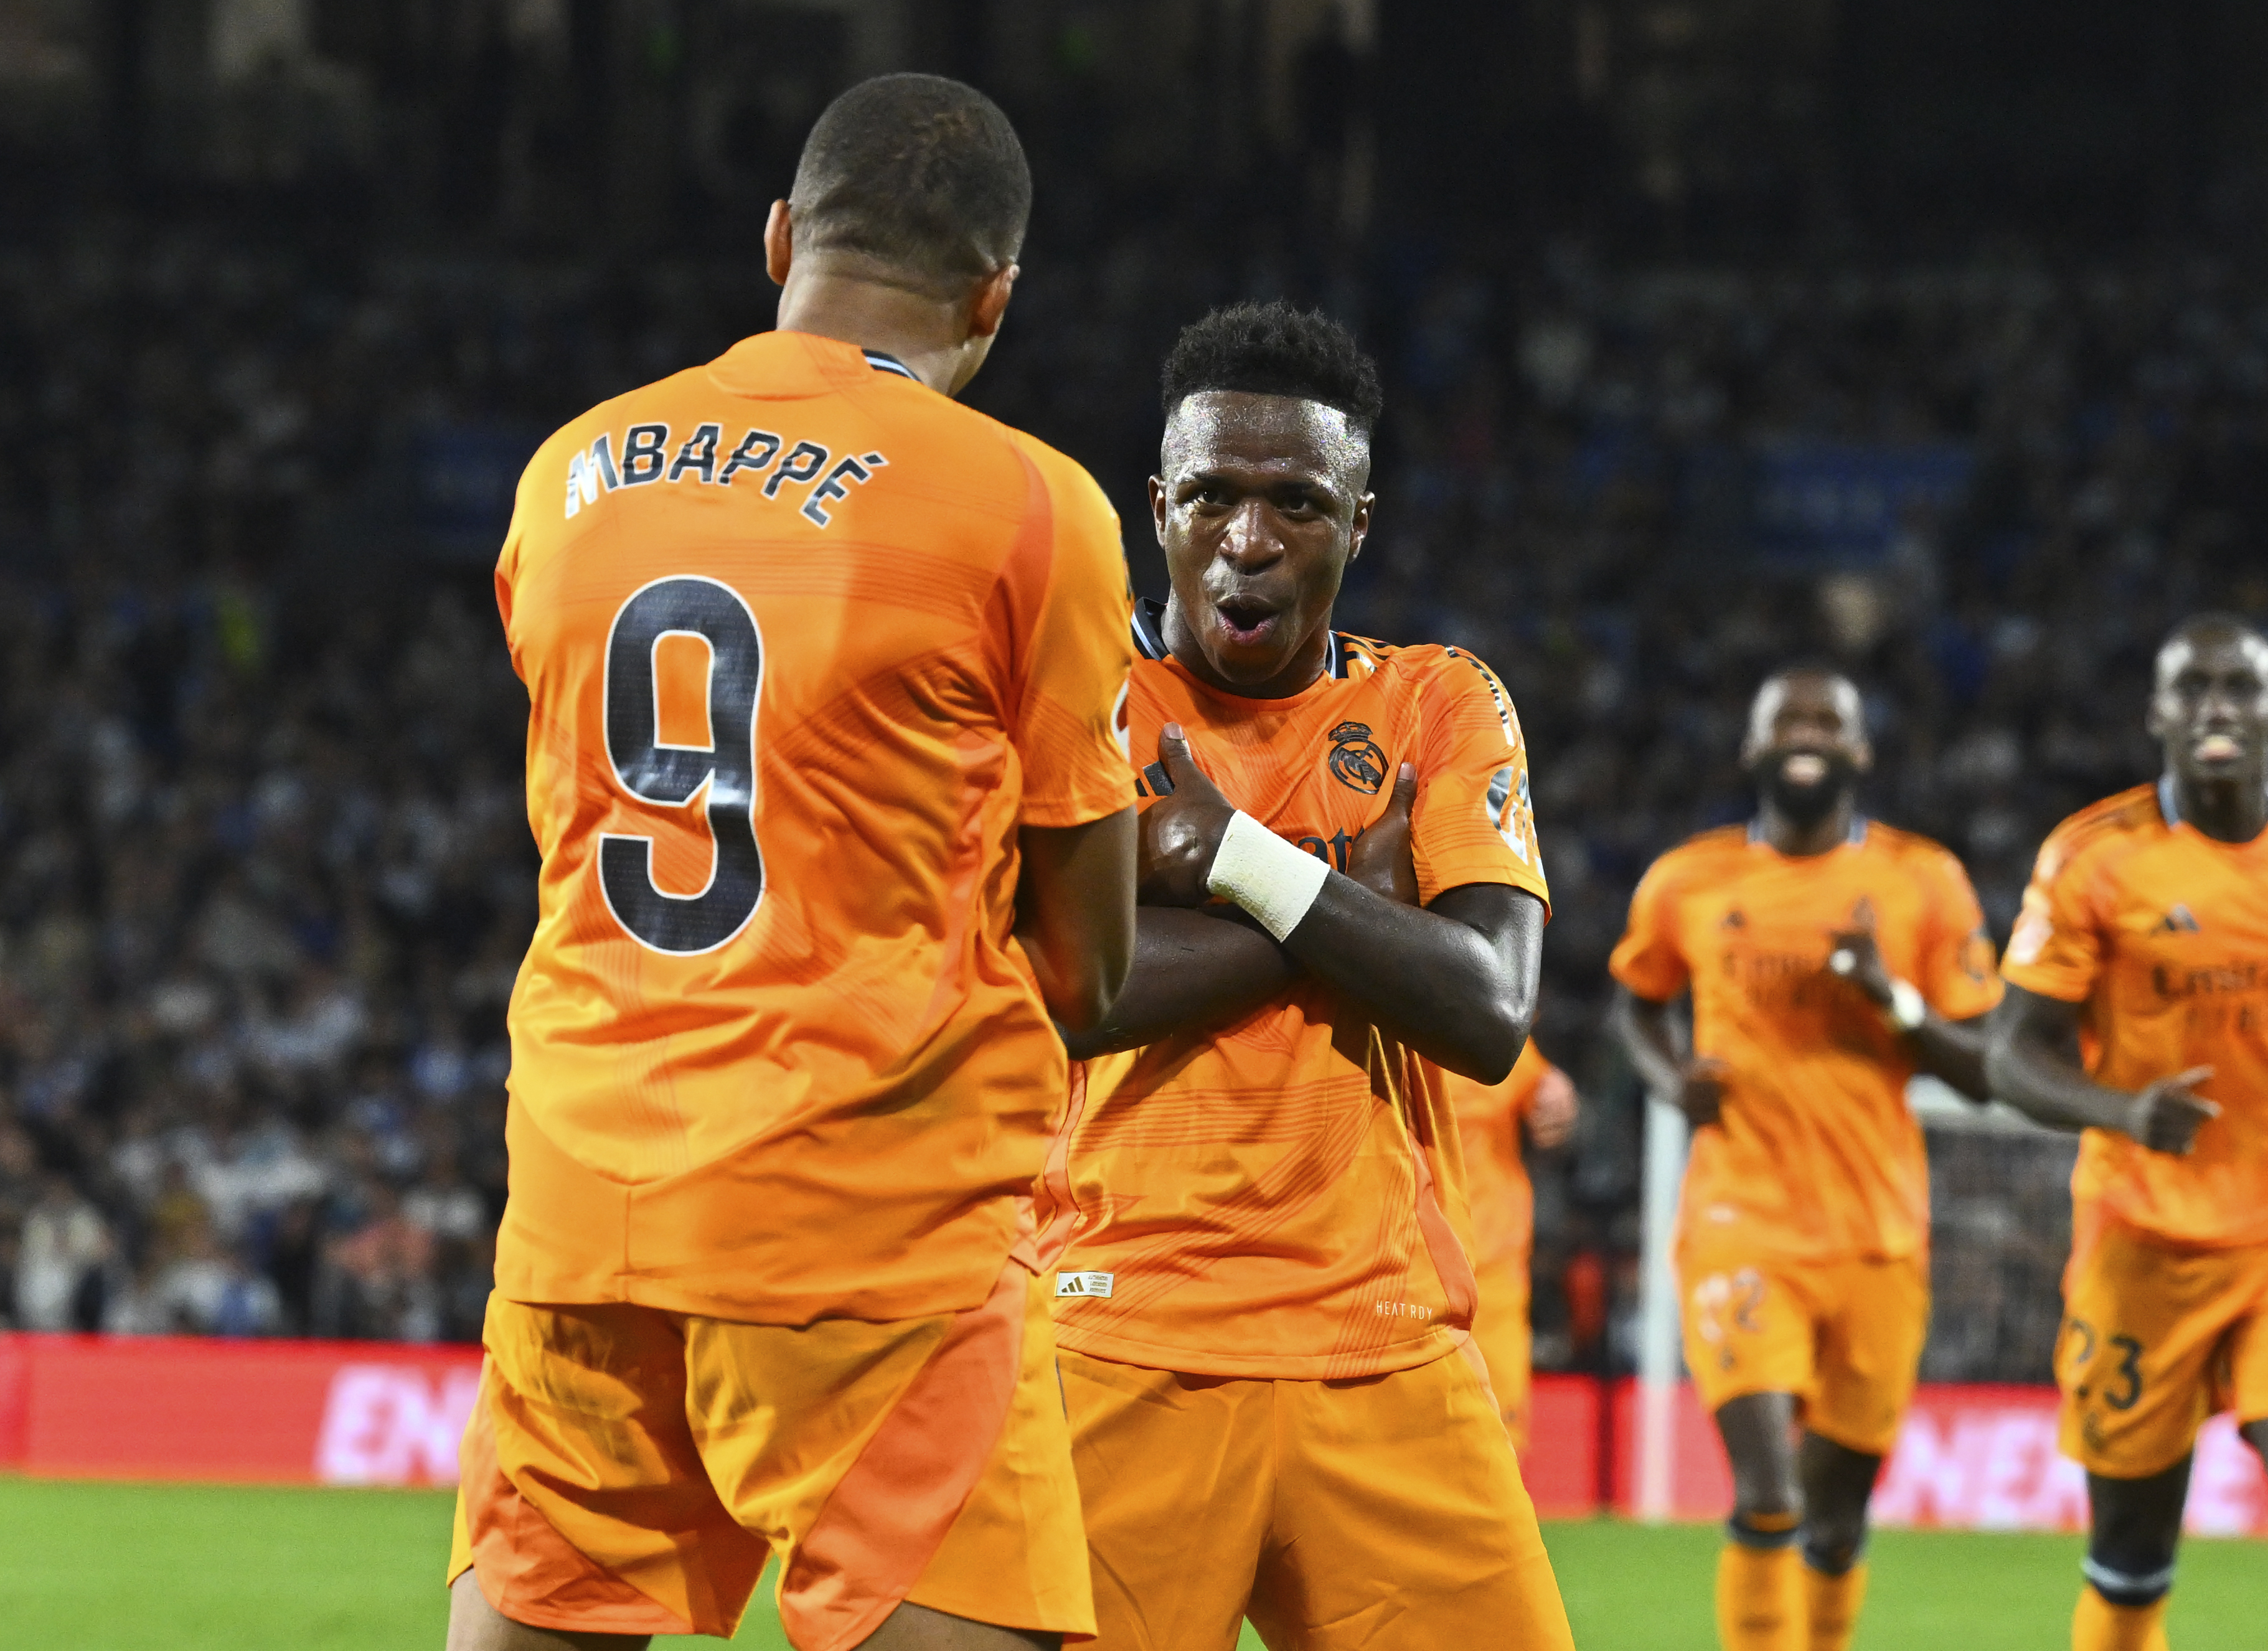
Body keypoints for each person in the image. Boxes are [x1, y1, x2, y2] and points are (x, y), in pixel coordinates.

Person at [448, 74, 1139, 1651]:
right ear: (995, 296)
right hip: (863, 1217)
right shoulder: (1029, 505)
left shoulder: (565, 474)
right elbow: (1088, 972)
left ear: (776, 240)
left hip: (580, 1186)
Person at [1039, 301, 1575, 1651]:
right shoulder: (1082, 696)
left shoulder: (1442, 700)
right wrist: (1350, 904)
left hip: (1387, 1343)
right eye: (1214, 496)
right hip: (1118, 1337)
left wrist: (1229, 860)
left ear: (1361, 523)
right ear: (1156, 507)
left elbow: (1486, 1010)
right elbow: (1078, 988)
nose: (1252, 541)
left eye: (1299, 504)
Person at [1987, 615, 2268, 1651]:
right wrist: (2123, 1112)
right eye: (2191, 689)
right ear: (2157, 714)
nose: (2216, 707)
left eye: (2239, 687)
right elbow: (2012, 1051)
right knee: (2129, 1562)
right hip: (2139, 1241)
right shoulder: (2091, 859)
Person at [1610, 667, 2002, 1651]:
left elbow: (1986, 1064)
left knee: (1834, 1519)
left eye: (1828, 720)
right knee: (1769, 1492)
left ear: (1860, 752)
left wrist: (1889, 999)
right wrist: (1667, 1079)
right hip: (1740, 1224)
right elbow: (1635, 999)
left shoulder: (1923, 880)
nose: (1806, 732)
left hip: (1877, 1238)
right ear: (1750, 747)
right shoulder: (1685, 881)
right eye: (1785, 718)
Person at [1453, 1037, 1580, 1452]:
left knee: (1498, 1448)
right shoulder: (1368, 1023)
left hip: (1490, 1276)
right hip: (1399, 1280)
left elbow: (1545, 1092)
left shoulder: (1473, 1017)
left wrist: (1555, 1096)